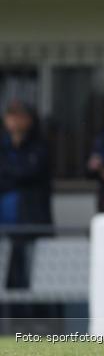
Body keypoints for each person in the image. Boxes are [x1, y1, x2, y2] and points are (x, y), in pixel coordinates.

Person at [1, 101, 52, 289]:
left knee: (32, 280)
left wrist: (9, 173)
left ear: (29, 119)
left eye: (19, 116)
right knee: (7, 281)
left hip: (31, 226)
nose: (14, 120)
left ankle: (33, 318)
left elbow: (29, 172)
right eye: (10, 115)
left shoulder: (39, 146)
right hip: (4, 227)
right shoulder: (3, 146)